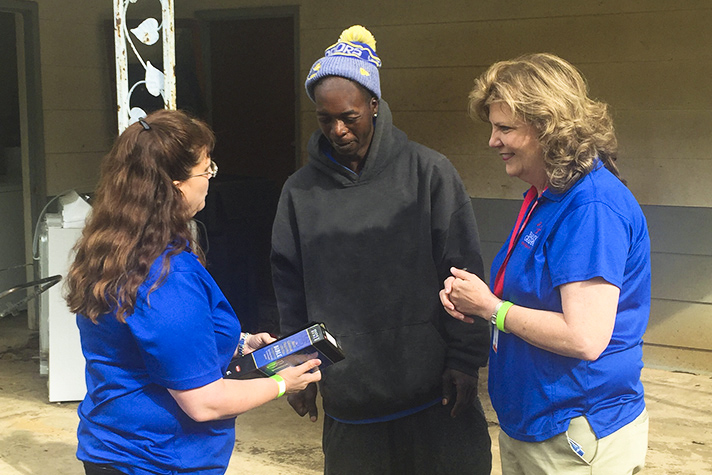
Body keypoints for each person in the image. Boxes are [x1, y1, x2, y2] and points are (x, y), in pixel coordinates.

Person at [270, 25, 491, 474]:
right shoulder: (300, 193)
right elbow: (290, 292)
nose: (337, 129)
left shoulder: (429, 174)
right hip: (353, 401)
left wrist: (466, 361)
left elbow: (463, 272)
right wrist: (299, 369)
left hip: (434, 394)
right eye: (324, 118)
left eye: (348, 116)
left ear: (374, 105)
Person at [64, 109, 322, 475]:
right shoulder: (162, 277)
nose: (209, 180)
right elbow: (204, 402)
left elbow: (146, 344)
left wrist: (237, 342)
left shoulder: (114, 247)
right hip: (156, 460)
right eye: (206, 171)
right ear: (174, 185)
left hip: (113, 447)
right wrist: (282, 383)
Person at [440, 53, 651, 474]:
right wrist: (476, 299)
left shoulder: (590, 207)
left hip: (575, 436)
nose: (492, 141)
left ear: (547, 129)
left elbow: (584, 337)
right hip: (534, 426)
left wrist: (491, 308)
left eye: (505, 128)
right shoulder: (545, 195)